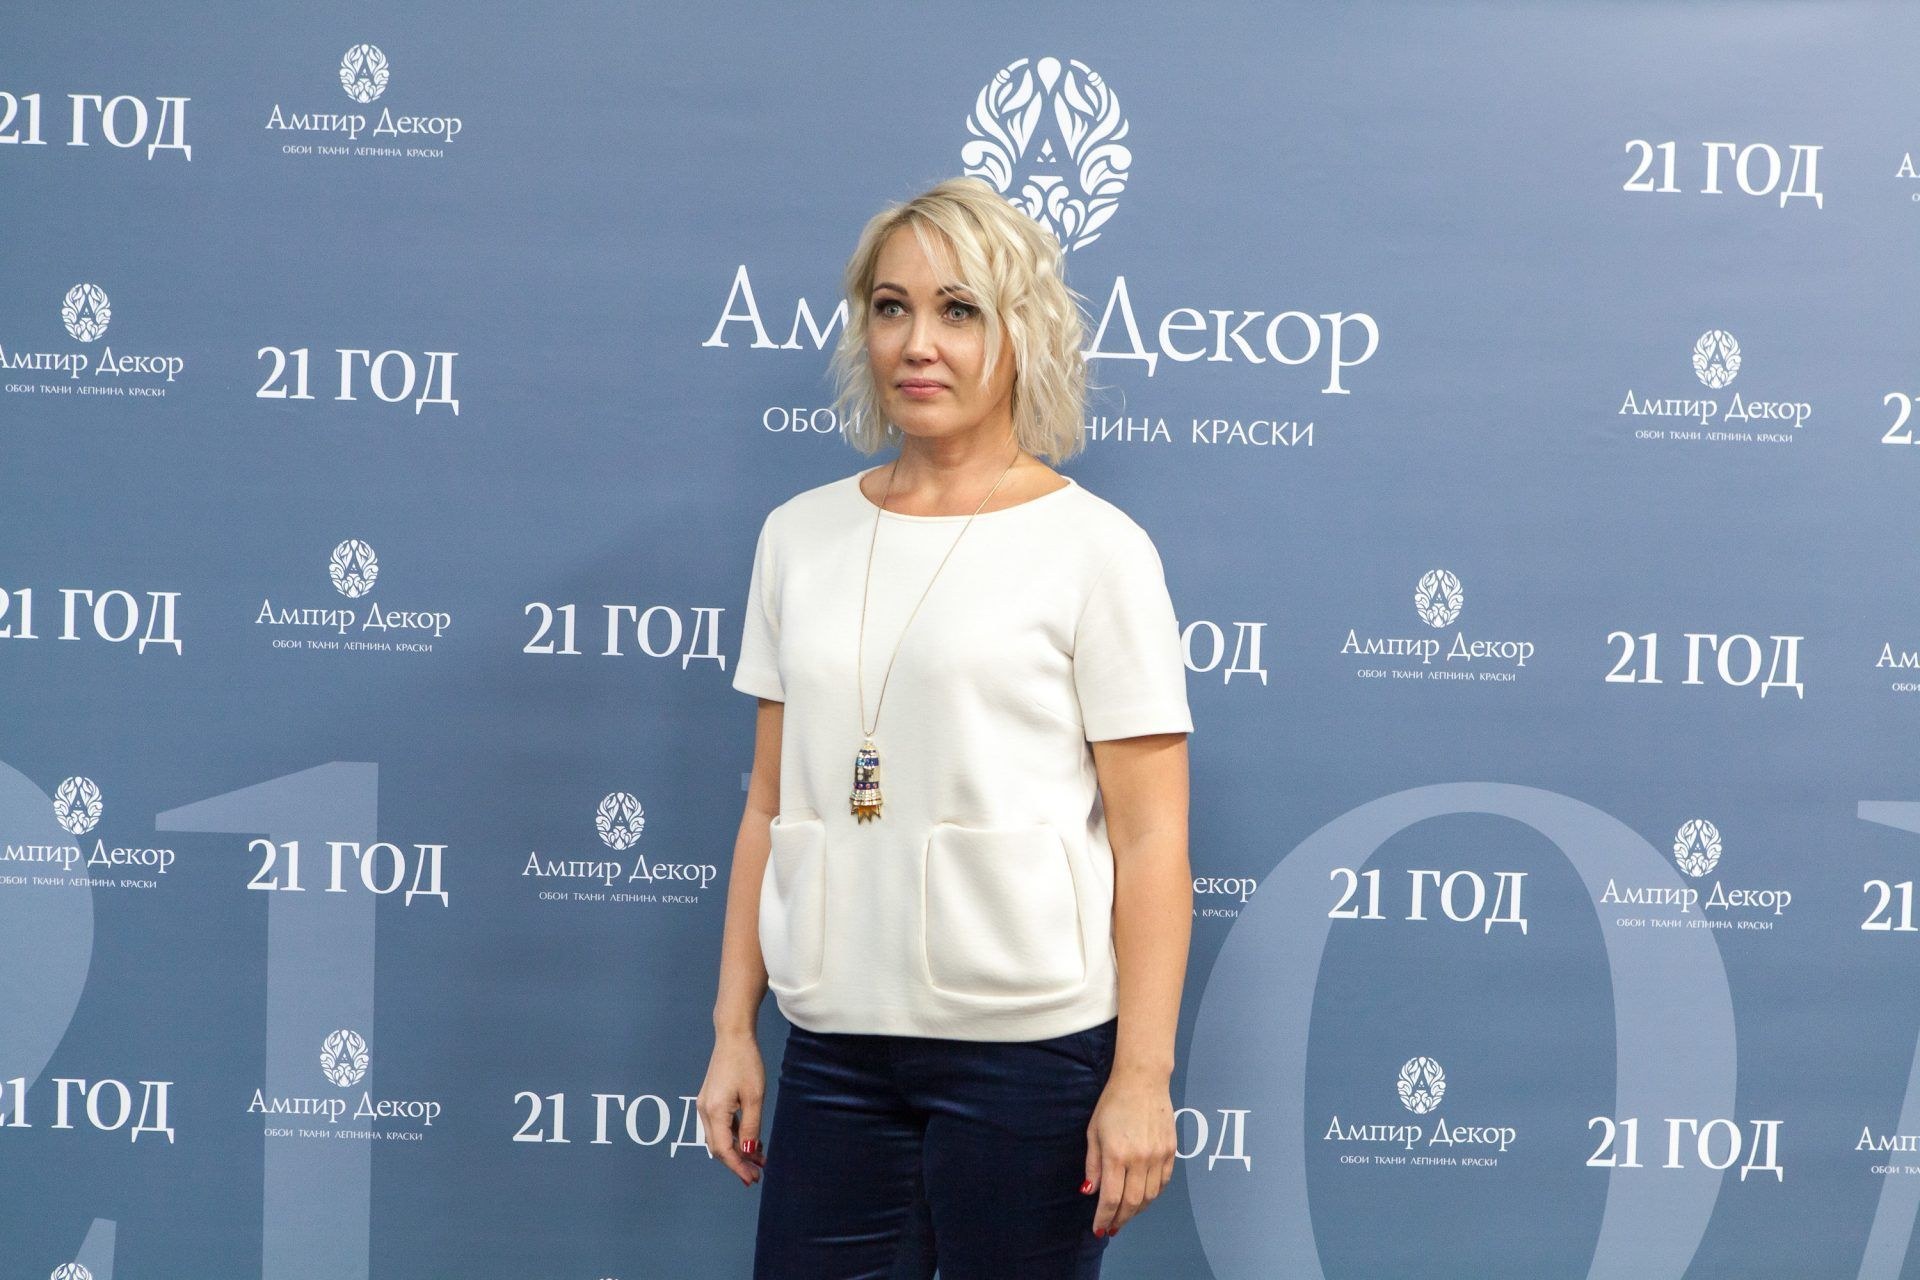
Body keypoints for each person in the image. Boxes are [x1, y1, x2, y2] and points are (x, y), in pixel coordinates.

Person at [696, 175, 1194, 1280]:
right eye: (892, 307)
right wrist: (735, 1029)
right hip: (835, 1049)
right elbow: (770, 805)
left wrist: (1142, 1075)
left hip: (1030, 1056)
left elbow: (1153, 836)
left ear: (1023, 333)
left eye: (958, 309)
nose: (918, 343)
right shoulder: (797, 537)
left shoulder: (1097, 550)